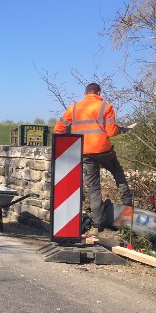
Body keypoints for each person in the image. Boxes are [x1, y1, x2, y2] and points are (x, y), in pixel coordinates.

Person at [54, 83, 133, 236]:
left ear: (86, 93)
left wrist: (70, 145)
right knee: (118, 173)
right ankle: (127, 204)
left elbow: (59, 128)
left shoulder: (75, 107)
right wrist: (122, 130)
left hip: (84, 152)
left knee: (94, 187)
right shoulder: (106, 106)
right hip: (103, 150)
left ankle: (98, 224)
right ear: (99, 92)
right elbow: (111, 131)